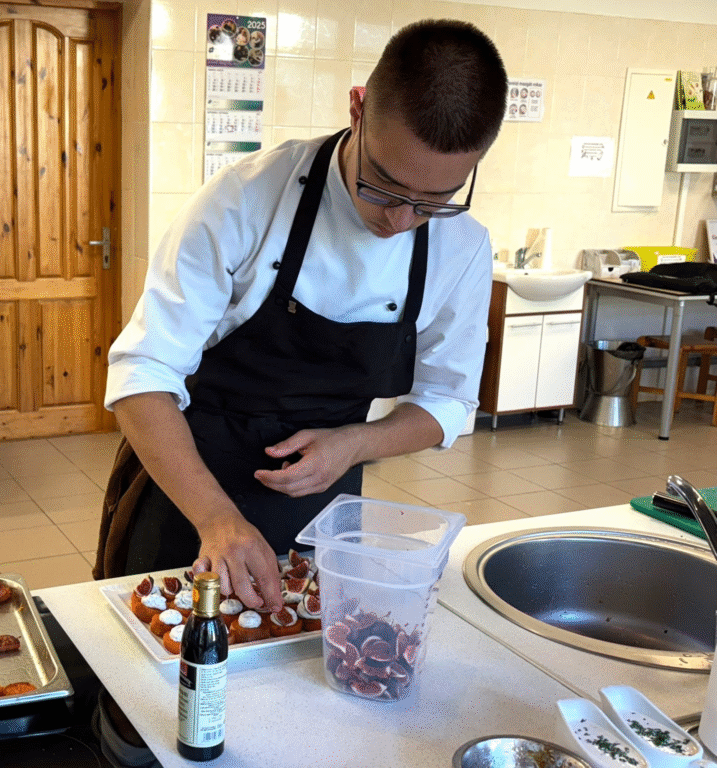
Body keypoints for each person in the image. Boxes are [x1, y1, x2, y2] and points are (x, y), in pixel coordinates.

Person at [96, 18, 507, 614]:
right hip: (188, 488)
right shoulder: (244, 200)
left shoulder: (461, 247)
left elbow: (449, 402)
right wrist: (218, 519)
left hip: (322, 509)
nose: (400, 220)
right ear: (358, 108)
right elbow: (141, 376)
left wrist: (355, 444)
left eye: (434, 201)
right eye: (384, 187)